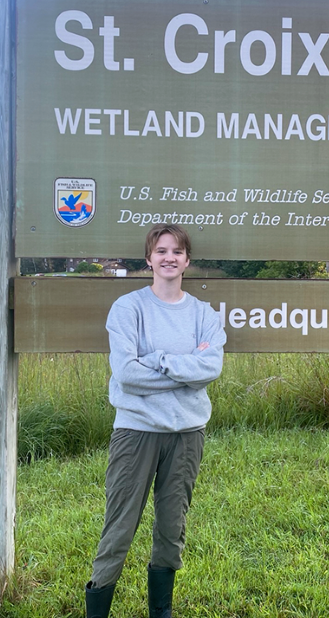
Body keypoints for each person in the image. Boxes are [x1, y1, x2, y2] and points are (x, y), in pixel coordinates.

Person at [86, 223, 226, 618]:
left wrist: (158, 359)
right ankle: (98, 608)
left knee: (171, 527)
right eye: (161, 250)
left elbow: (210, 367)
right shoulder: (129, 308)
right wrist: (184, 368)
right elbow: (127, 373)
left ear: (187, 261)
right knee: (119, 528)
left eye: (177, 252)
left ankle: (160, 611)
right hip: (136, 433)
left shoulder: (203, 314)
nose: (169, 258)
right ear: (149, 258)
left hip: (186, 434)